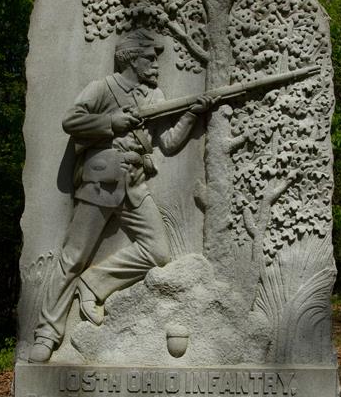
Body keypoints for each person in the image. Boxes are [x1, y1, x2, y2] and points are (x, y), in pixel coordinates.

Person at [29, 29, 211, 363]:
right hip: (100, 182)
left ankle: (94, 284)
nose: (156, 65)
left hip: (135, 184)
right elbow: (71, 121)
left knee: (157, 253)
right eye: (149, 58)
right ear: (130, 58)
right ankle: (47, 334)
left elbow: (168, 143)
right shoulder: (104, 88)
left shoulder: (155, 97)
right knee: (73, 258)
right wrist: (112, 121)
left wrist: (191, 115)